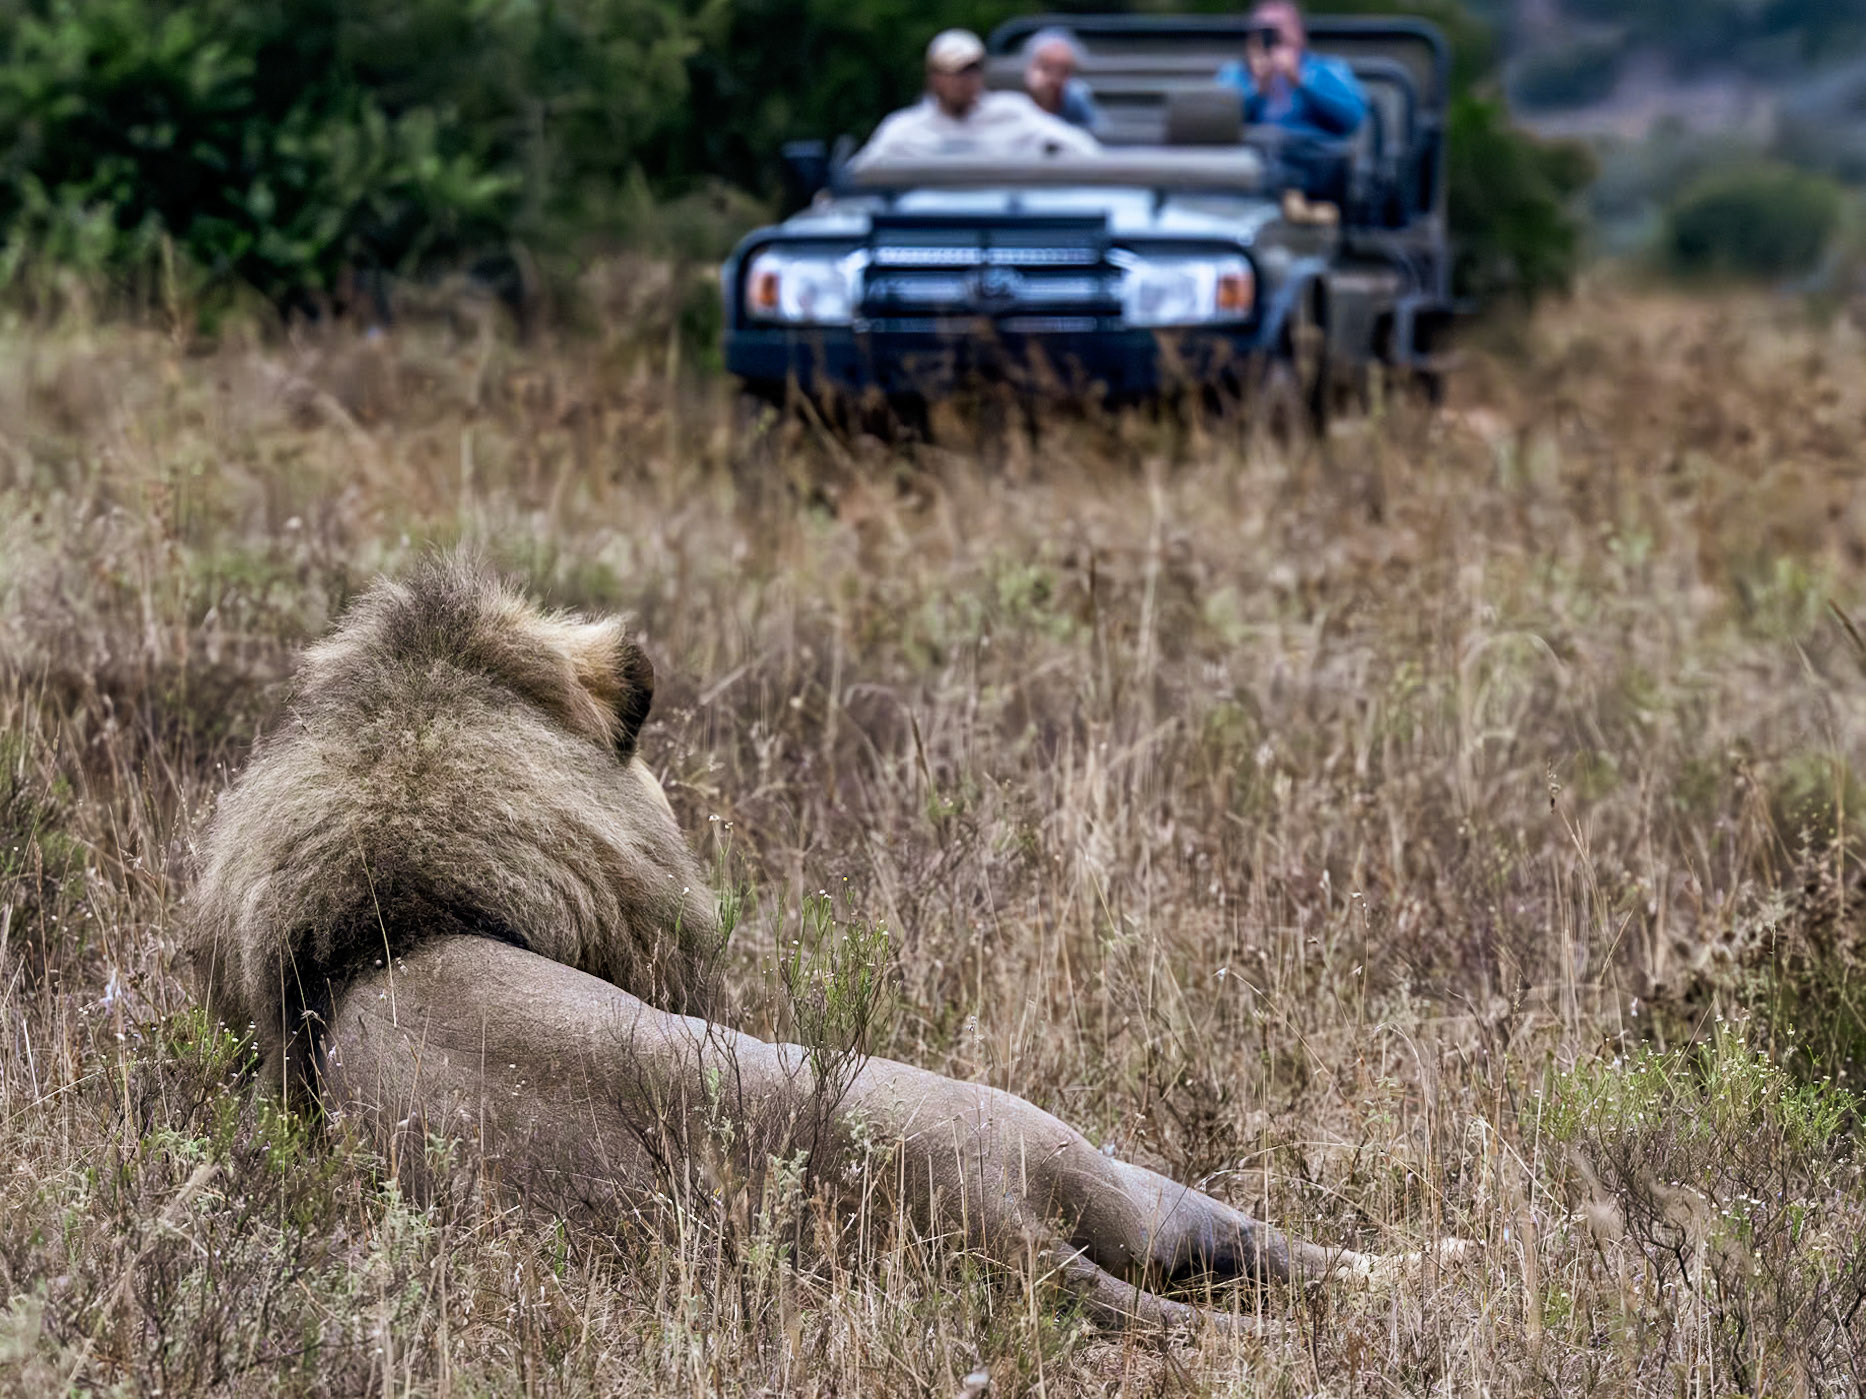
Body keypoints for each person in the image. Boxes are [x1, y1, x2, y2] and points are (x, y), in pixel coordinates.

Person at [851, 29, 1100, 167]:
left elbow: (1083, 150)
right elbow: (859, 174)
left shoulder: (1014, 113)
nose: (963, 80)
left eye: (971, 69)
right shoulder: (903, 129)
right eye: (953, 71)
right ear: (934, 77)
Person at [1217, 1, 1366, 139]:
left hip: (1311, 150)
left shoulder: (1327, 69)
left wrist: (1301, 81)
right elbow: (1217, 121)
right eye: (1264, 31)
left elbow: (1353, 119)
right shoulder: (1236, 73)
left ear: (1299, 31)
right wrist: (1257, 88)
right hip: (1252, 150)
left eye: (1279, 29)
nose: (1272, 38)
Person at [1022, 27, 1102, 133]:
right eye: (1046, 68)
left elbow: (1096, 130)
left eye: (1064, 71)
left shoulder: (1075, 96)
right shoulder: (1015, 96)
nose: (1054, 77)